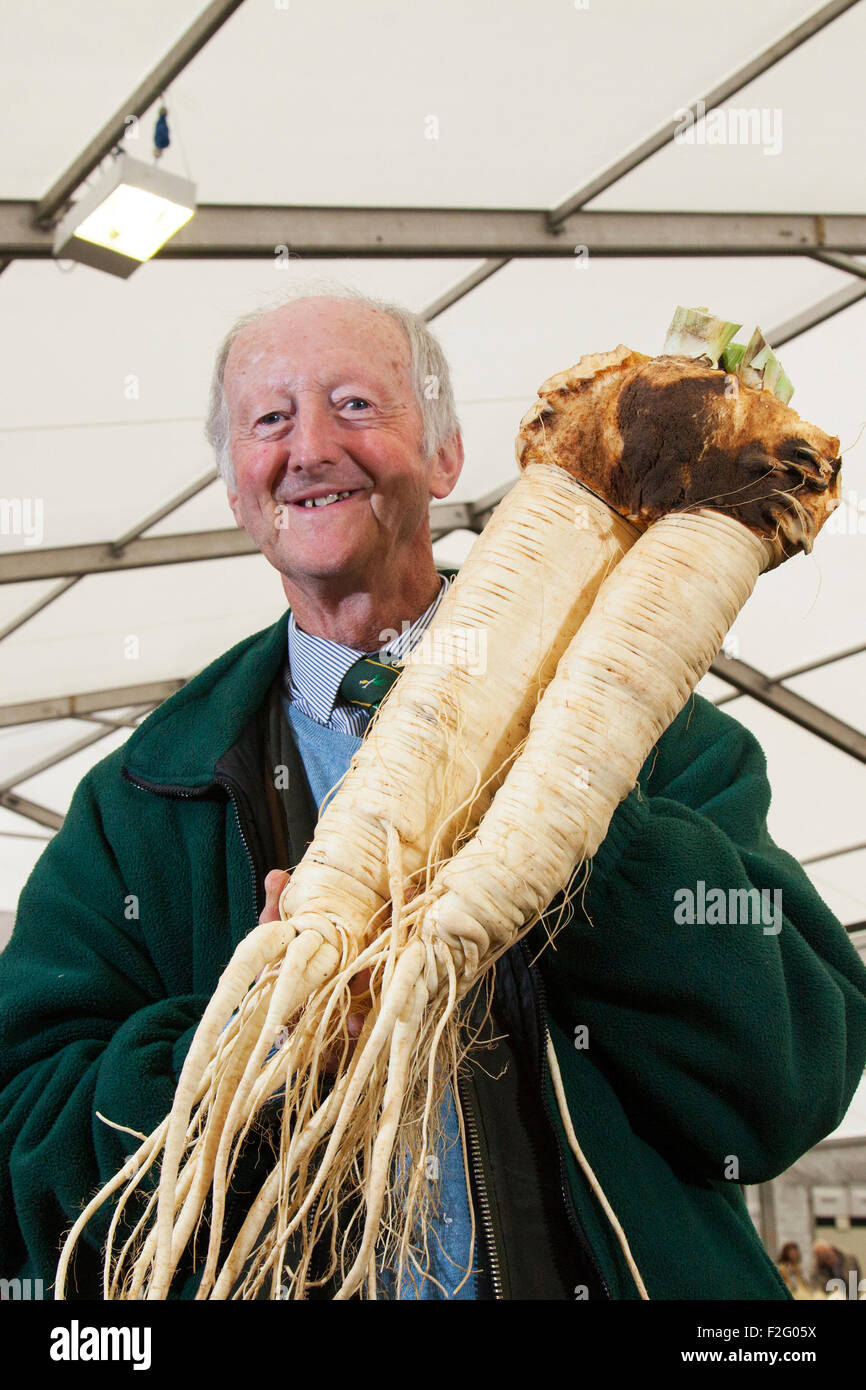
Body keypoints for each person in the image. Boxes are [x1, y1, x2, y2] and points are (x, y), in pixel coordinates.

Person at [1, 284, 866, 1301]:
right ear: (237, 489)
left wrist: (583, 828)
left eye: (358, 404)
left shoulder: (665, 742)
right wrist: (253, 1047)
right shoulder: (141, 802)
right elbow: (27, 1149)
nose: (311, 446)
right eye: (269, 419)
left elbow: (789, 1082)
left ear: (448, 455)